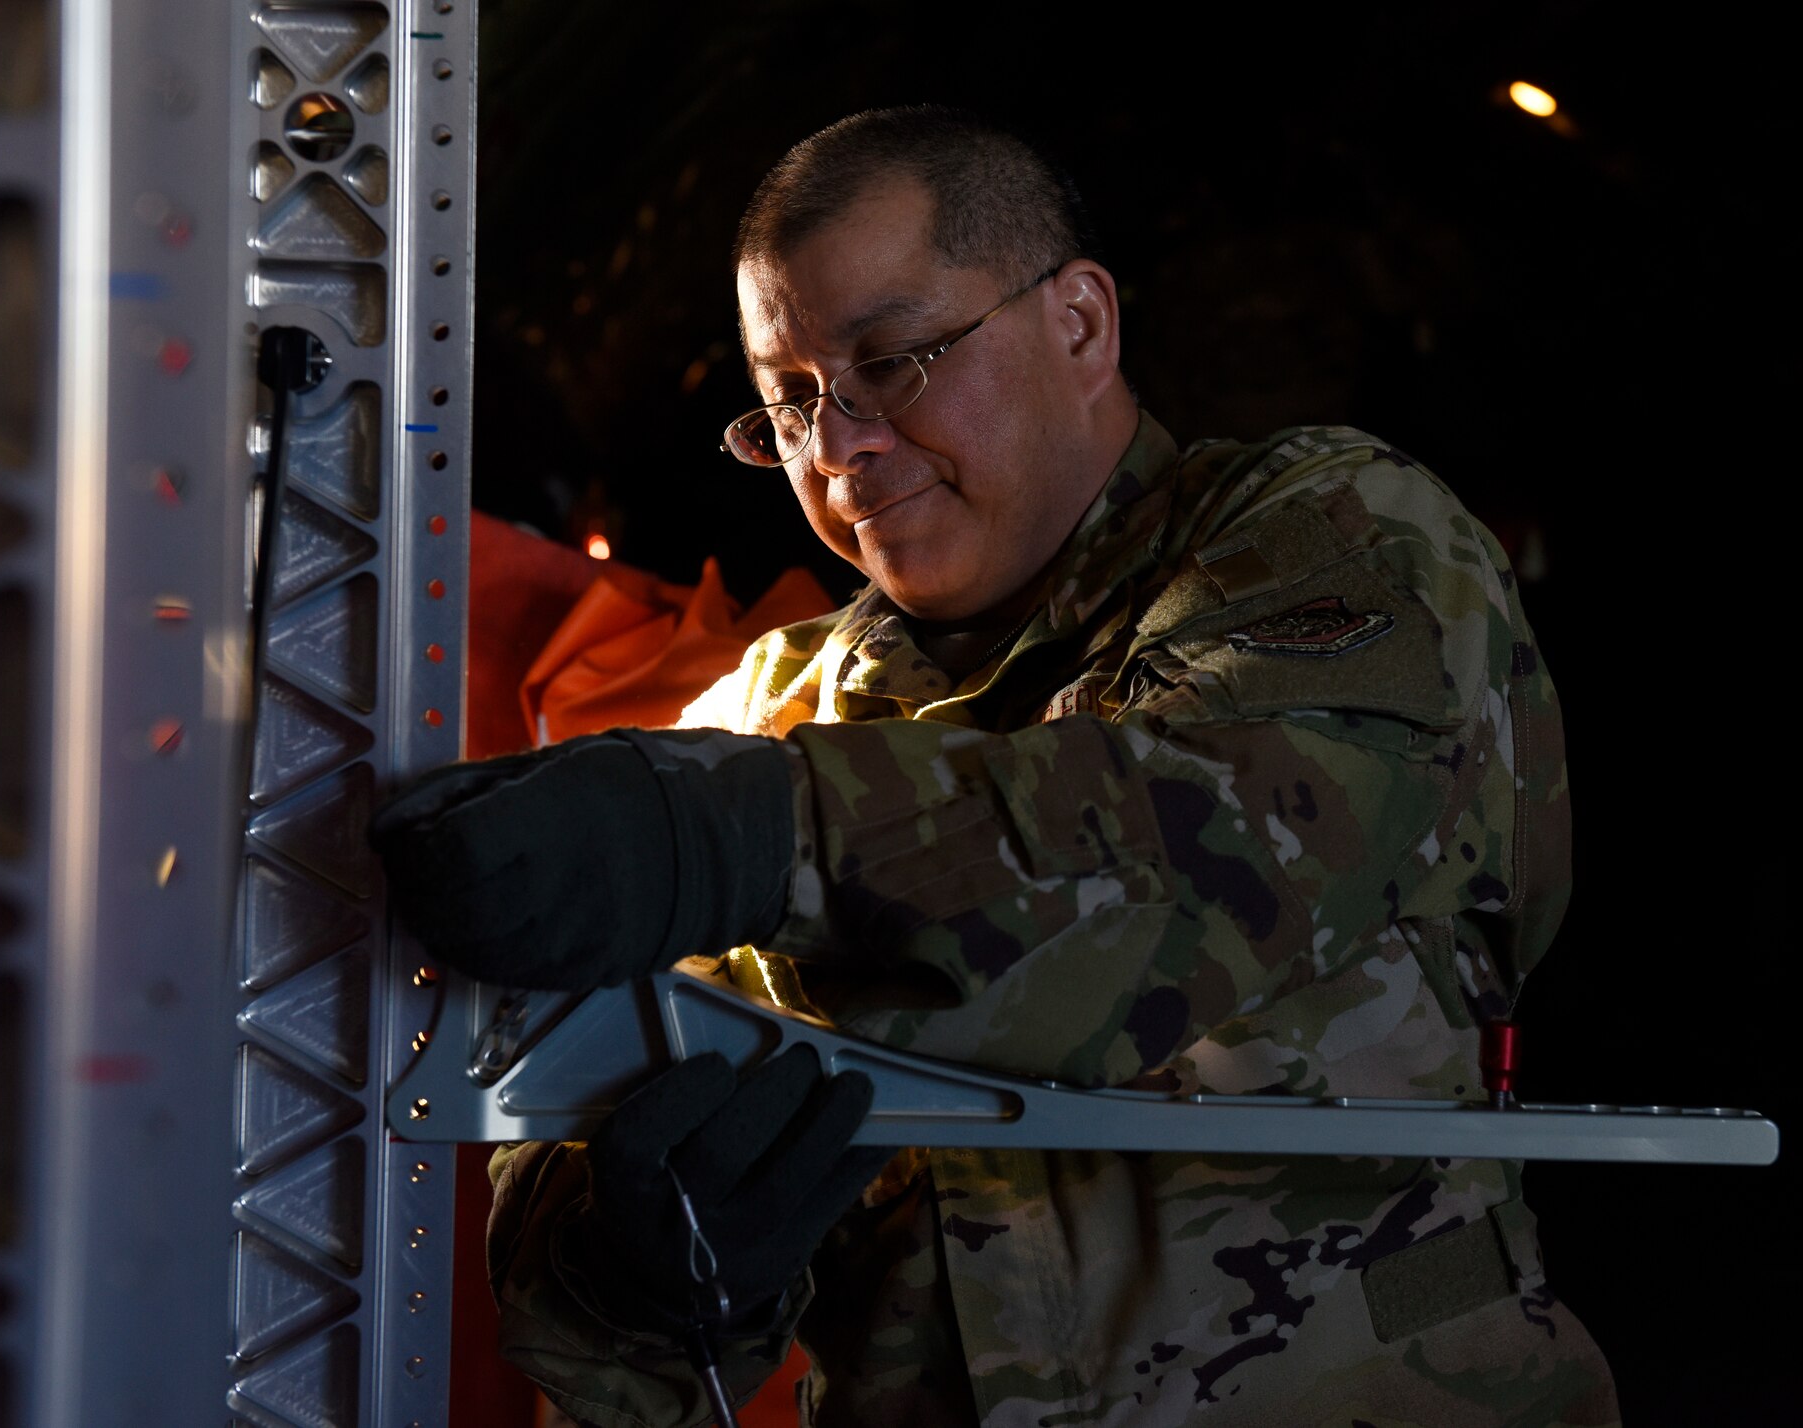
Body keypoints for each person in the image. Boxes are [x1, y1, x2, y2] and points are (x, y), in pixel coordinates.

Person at [373, 106, 1620, 1427]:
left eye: (894, 360)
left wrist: (740, 844)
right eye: (789, 399)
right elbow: (612, 1352)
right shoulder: (768, 711)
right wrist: (638, 1269)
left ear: (1080, 323)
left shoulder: (1322, 535)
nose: (838, 446)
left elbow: (1188, 867)